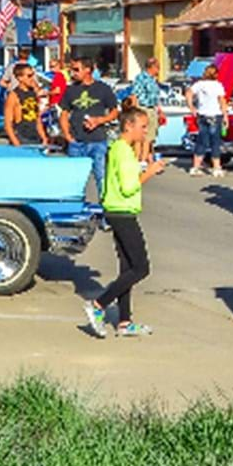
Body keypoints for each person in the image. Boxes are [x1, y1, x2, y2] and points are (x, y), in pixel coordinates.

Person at [84, 107, 168, 339]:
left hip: (119, 210)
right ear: (128, 126)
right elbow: (129, 186)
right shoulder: (122, 150)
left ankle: (124, 321)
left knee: (127, 268)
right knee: (141, 268)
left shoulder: (123, 150)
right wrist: (150, 172)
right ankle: (99, 304)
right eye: (142, 127)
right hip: (121, 212)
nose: (145, 132)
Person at [59, 58, 120, 195]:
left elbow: (114, 112)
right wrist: (68, 136)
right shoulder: (70, 90)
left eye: (76, 70)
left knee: (101, 177)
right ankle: (76, 206)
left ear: (88, 70)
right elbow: (64, 114)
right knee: (75, 180)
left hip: (97, 140)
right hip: (77, 141)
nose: (72, 73)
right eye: (71, 70)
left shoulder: (103, 89)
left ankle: (104, 205)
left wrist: (99, 120)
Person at [187, 62, 227, 176]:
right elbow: (222, 101)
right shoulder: (218, 85)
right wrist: (225, 116)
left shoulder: (199, 84)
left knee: (201, 141)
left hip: (202, 114)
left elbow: (188, 93)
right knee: (215, 142)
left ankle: (195, 166)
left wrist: (192, 107)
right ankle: (216, 168)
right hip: (215, 114)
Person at [4, 63, 49, 150]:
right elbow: (8, 124)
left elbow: (37, 118)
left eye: (33, 75)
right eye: (29, 76)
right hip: (22, 137)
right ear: (20, 78)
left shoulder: (33, 93)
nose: (32, 79)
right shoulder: (13, 96)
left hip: (35, 137)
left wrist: (43, 137)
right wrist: (16, 143)